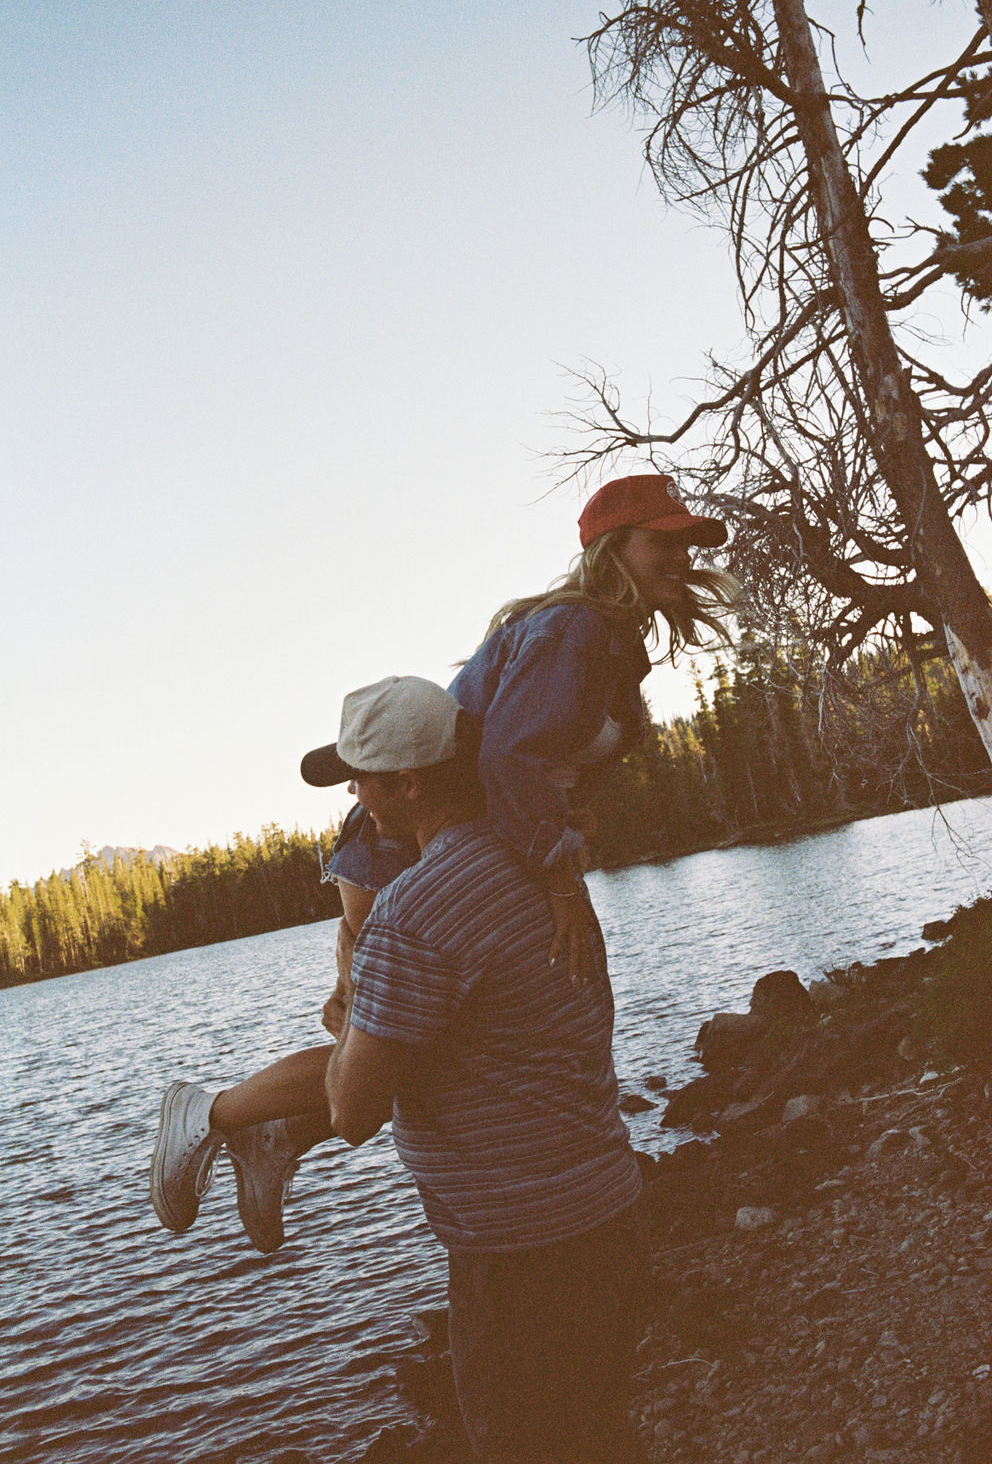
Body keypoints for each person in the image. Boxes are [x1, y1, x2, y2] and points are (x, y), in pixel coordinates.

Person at [149, 473, 733, 1253]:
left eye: (686, 543)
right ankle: (212, 1116)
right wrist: (556, 876)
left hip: (444, 851)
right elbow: (510, 754)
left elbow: (540, 760)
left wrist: (567, 818)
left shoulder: (602, 639)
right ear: (609, 552)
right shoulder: (577, 631)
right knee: (382, 1049)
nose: (681, 557)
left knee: (424, 1051)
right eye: (663, 540)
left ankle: (278, 1138)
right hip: (399, 848)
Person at [157, 675, 651, 1461]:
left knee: (526, 1442)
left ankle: (218, 1119)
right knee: (599, 1432)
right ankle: (252, 1134)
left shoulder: (414, 912)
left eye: (360, 780)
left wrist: (359, 994)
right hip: (607, 1206)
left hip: (519, 1250)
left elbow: (354, 1113)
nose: (355, 797)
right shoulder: (539, 862)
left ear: (409, 784)